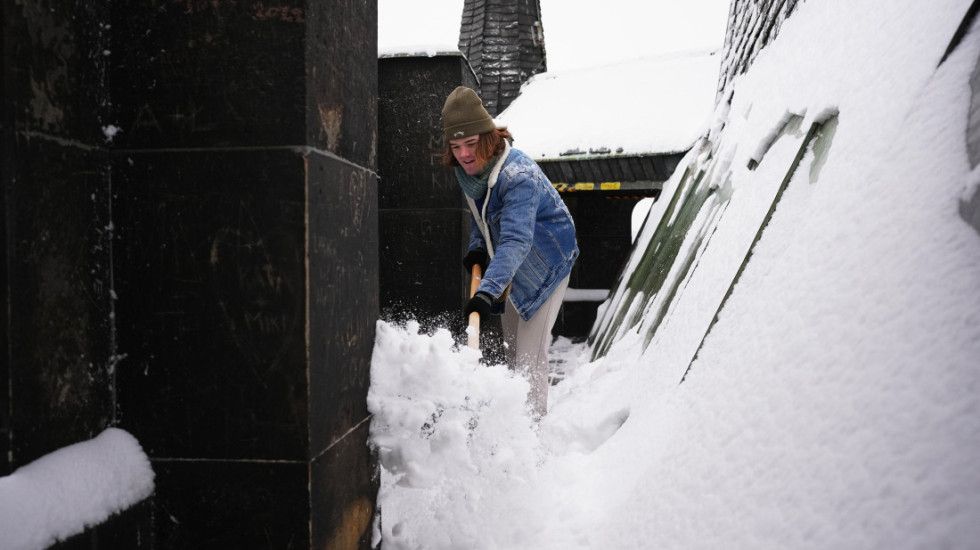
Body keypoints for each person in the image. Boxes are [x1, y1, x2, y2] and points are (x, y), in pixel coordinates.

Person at [440, 86, 579, 420]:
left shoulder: (519, 175)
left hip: (546, 263)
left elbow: (517, 239)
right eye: (456, 146)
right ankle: (514, 427)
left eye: (471, 144)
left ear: (488, 138)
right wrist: (476, 250)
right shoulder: (473, 176)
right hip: (509, 262)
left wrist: (486, 292)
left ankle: (532, 442)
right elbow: (484, 218)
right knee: (513, 350)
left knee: (530, 357)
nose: (464, 154)